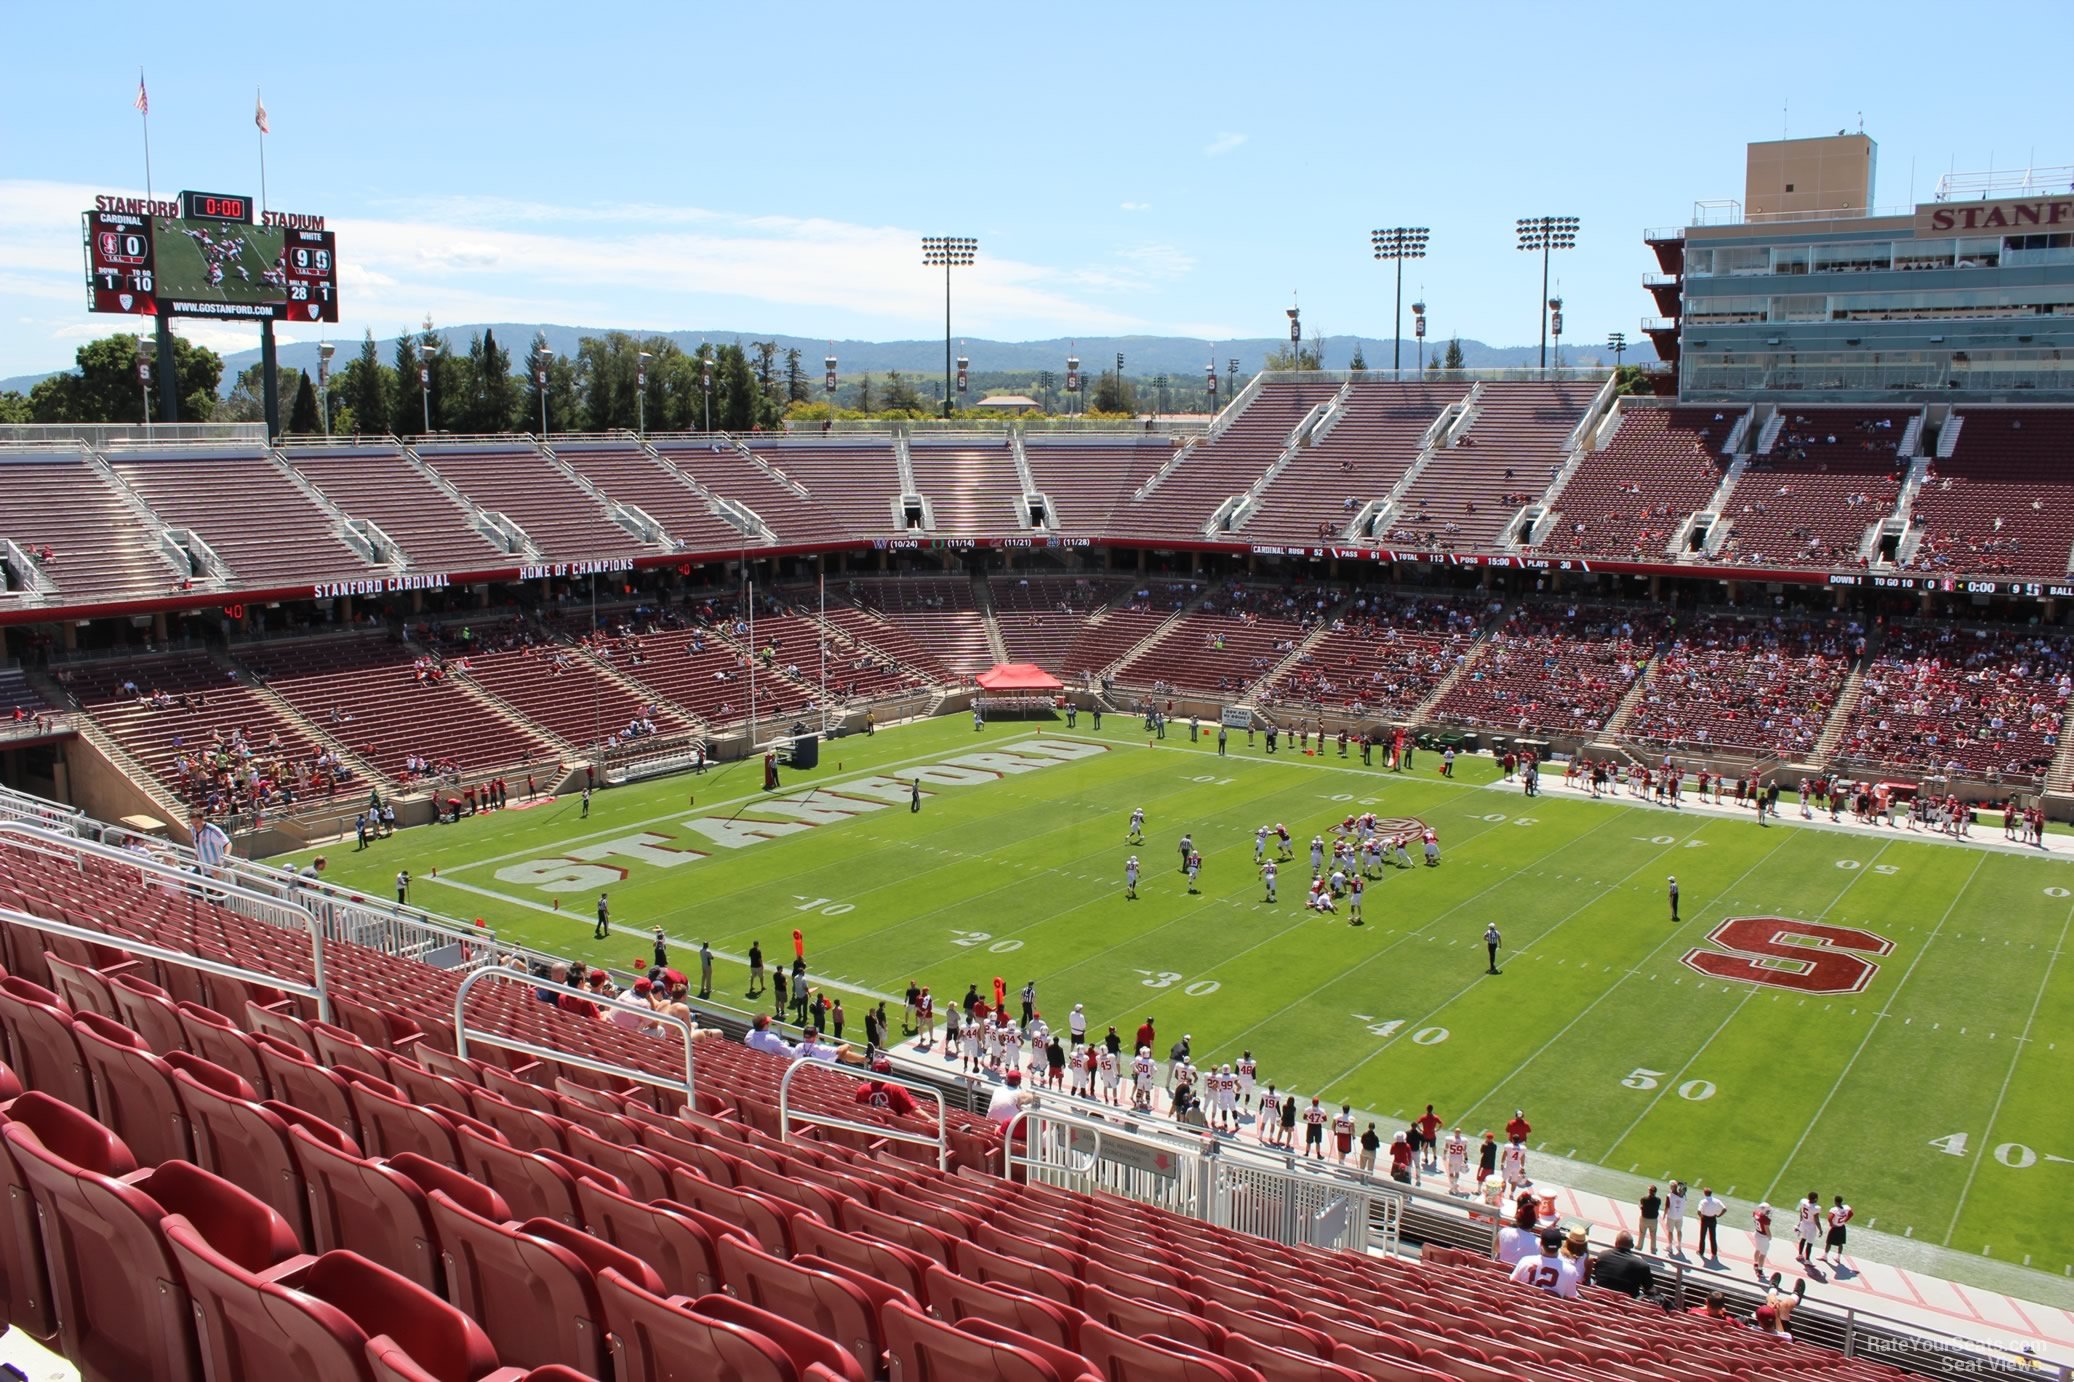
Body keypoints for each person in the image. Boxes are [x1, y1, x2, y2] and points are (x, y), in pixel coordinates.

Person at [1508, 1229, 1581, 1299]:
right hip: (1549, 1311)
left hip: (1523, 1307)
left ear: (1540, 1244)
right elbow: (1571, 1297)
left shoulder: (1525, 1260)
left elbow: (1513, 1282)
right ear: (1560, 1245)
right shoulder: (1570, 1270)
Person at [1594, 1231, 1653, 1299]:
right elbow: (1650, 1289)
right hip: (1626, 1305)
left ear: (1616, 1243)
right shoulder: (1642, 1265)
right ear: (1632, 1246)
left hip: (1600, 1299)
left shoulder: (1602, 1255)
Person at [1496, 1198, 1540, 1266]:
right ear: (1533, 1222)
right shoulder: (1539, 1243)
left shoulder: (1503, 1232)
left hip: (1500, 1272)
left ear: (1517, 1219)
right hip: (1520, 1275)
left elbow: (1496, 1249)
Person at [1697, 1186, 1727, 1260]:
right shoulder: (1716, 1201)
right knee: (1713, 1237)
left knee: (1702, 1236)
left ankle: (1701, 1251)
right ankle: (1714, 1252)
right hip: (1713, 1219)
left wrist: (1701, 1217)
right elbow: (1724, 1209)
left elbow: (1698, 1211)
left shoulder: (1703, 1201)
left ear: (1705, 1193)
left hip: (1705, 1219)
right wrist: (1719, 1215)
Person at [1824, 1195, 1854, 1264]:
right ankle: (1838, 1257)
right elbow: (1851, 1214)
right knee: (1840, 1243)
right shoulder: (1846, 1208)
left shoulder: (1834, 1209)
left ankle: (1825, 1256)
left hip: (1835, 1228)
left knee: (1829, 1242)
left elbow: (1830, 1218)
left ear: (1835, 1202)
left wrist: (1831, 1224)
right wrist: (1845, 1220)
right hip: (1842, 1227)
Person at [1795, 1191, 1823, 1265]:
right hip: (1811, 1226)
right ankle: (1807, 1260)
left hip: (1804, 1223)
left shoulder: (1804, 1202)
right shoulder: (1816, 1208)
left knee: (1803, 1239)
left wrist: (1800, 1221)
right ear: (1815, 1199)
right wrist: (1820, 1230)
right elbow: (1817, 1220)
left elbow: (1801, 1212)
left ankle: (1800, 1255)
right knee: (1809, 1243)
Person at [1664, 1180, 1688, 1256]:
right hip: (1679, 1216)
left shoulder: (1669, 1196)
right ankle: (1679, 1245)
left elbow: (1667, 1207)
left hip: (1671, 1216)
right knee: (1679, 1231)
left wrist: (1664, 1214)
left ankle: (1670, 1246)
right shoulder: (1683, 1196)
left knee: (1670, 1231)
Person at [1443, 1127, 1470, 1195]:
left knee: (1451, 1173)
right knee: (1457, 1173)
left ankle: (1452, 1187)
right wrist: (1466, 1158)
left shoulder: (1449, 1139)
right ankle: (1454, 1186)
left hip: (1452, 1157)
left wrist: (1444, 1155)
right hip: (1459, 1158)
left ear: (1455, 1132)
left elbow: (1446, 1148)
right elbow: (1464, 1151)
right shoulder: (1463, 1140)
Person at [1638, 1184, 1662, 1254]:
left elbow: (1641, 1206)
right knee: (1653, 1234)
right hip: (1653, 1220)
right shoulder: (1658, 1200)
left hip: (1644, 1218)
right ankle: (1653, 1248)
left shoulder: (1644, 1199)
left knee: (1642, 1233)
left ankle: (1639, 1246)